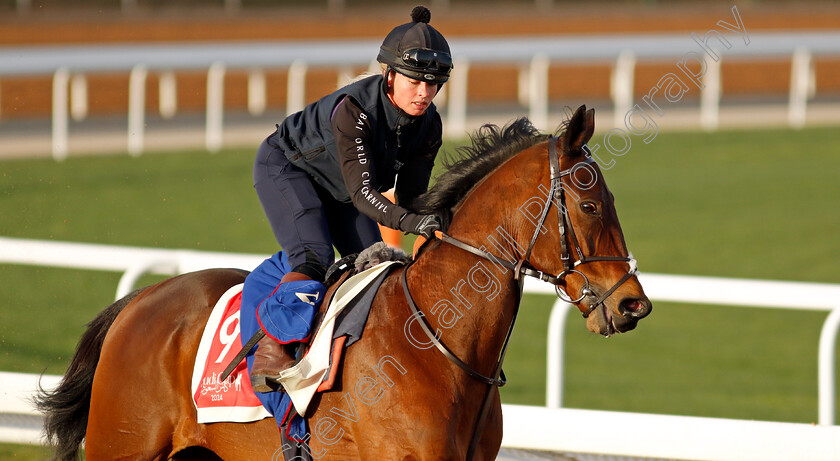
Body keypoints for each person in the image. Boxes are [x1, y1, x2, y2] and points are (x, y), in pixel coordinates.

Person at [249, 5, 452, 392]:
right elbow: (364, 195)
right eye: (414, 82)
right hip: (288, 168)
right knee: (313, 256)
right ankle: (272, 350)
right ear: (389, 75)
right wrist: (416, 223)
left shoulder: (429, 124)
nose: (424, 93)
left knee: (376, 269)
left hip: (341, 187)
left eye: (433, 84)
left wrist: (448, 215)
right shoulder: (355, 111)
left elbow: (411, 197)